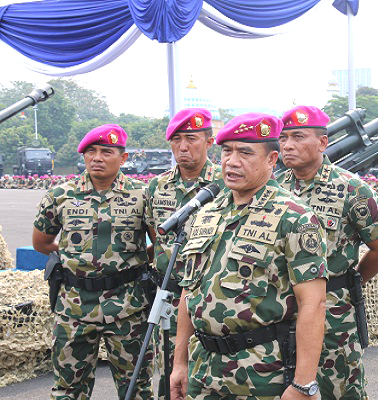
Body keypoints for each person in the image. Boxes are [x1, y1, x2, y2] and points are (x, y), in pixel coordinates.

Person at [169, 113, 328, 399]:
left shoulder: (295, 218)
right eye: (226, 151)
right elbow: (187, 291)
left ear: (271, 159)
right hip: (203, 367)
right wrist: (179, 362)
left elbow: (313, 304)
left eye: (245, 152)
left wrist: (304, 383)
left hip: (261, 371)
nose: (232, 161)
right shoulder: (207, 214)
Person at [277, 105, 378, 399]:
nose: (288, 145)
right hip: (280, 316)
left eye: (299, 137)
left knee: (338, 391)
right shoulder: (273, 188)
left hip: (333, 321)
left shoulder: (352, 189)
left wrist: (347, 285)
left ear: (322, 142)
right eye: (284, 138)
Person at [32, 124, 154, 399]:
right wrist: (74, 260)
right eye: (91, 151)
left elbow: (158, 246)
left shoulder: (142, 195)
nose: (97, 157)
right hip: (74, 307)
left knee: (136, 389)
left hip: (128, 307)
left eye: (106, 152)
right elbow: (42, 242)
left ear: (123, 158)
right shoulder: (61, 195)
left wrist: (131, 264)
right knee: (67, 390)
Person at [144, 108, 224, 398]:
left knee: (210, 376)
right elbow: (157, 236)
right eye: (176, 140)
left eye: (191, 138)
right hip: (169, 296)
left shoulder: (226, 184)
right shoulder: (157, 186)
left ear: (209, 142)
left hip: (211, 298)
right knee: (169, 375)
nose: (183, 146)